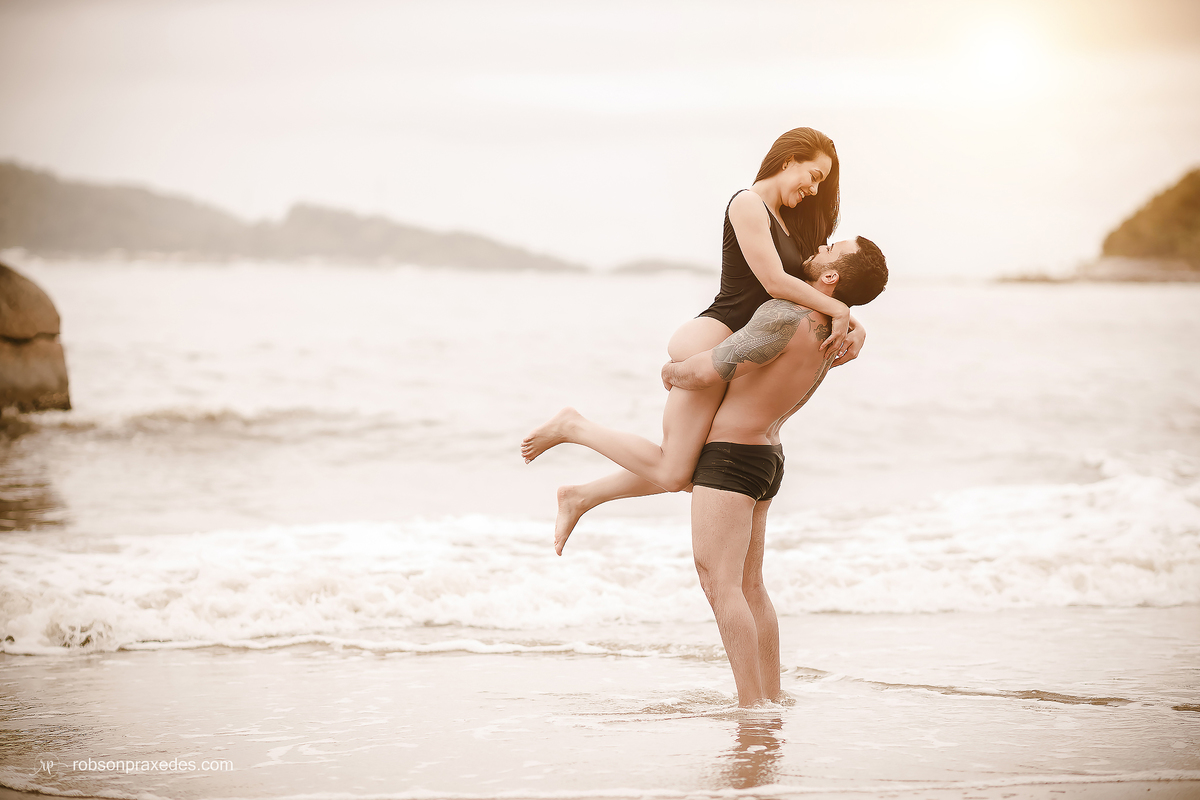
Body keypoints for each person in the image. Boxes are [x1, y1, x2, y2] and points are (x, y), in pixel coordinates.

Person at [522, 128, 865, 554]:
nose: (813, 190)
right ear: (788, 159)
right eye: (812, 176)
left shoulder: (788, 225)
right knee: (672, 471)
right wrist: (840, 312)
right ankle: (573, 427)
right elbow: (775, 282)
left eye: (821, 184)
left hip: (732, 345)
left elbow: (812, 287)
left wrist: (852, 321)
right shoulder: (747, 203)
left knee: (682, 471)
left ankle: (581, 495)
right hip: (712, 338)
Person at [661, 240, 888, 706]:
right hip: (767, 455)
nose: (823, 245)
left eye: (834, 249)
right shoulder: (832, 326)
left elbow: (711, 370)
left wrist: (672, 371)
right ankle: (770, 698)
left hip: (730, 457)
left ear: (831, 278)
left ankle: (751, 706)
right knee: (750, 585)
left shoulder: (785, 315)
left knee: (719, 583)